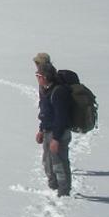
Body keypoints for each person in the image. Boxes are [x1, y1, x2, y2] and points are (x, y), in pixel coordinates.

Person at [34, 52, 71, 197]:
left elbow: (61, 118)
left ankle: (64, 192)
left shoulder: (58, 92)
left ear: (44, 77)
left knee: (59, 163)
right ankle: (54, 186)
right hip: (49, 131)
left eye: (38, 76)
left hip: (58, 134)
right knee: (49, 162)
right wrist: (41, 130)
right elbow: (46, 114)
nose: (37, 79)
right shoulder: (47, 90)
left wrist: (56, 138)